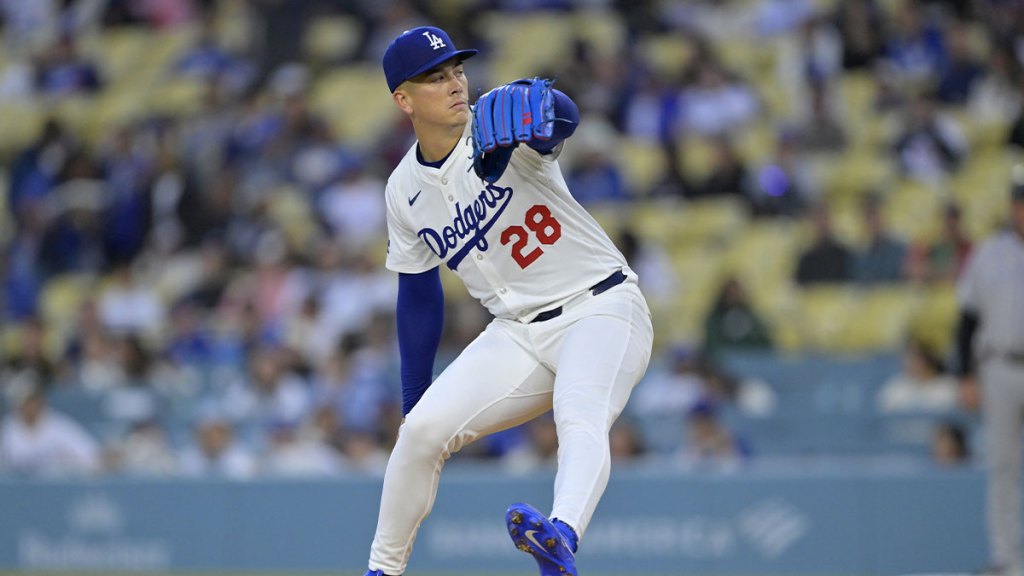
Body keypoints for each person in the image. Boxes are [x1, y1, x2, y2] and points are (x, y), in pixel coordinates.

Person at [363, 26, 654, 576]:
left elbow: (560, 121)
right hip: (516, 332)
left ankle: (560, 537)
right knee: (420, 434)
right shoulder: (402, 189)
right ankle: (382, 571)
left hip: (600, 305)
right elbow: (418, 296)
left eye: (456, 71)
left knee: (580, 411)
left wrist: (547, 106)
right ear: (403, 100)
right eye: (434, 77)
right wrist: (414, 402)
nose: (454, 84)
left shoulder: (498, 129)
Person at [956, 170, 1024, 576]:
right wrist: (966, 374)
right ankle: (1006, 558)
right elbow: (967, 318)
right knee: (1001, 463)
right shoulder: (989, 253)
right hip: (999, 364)